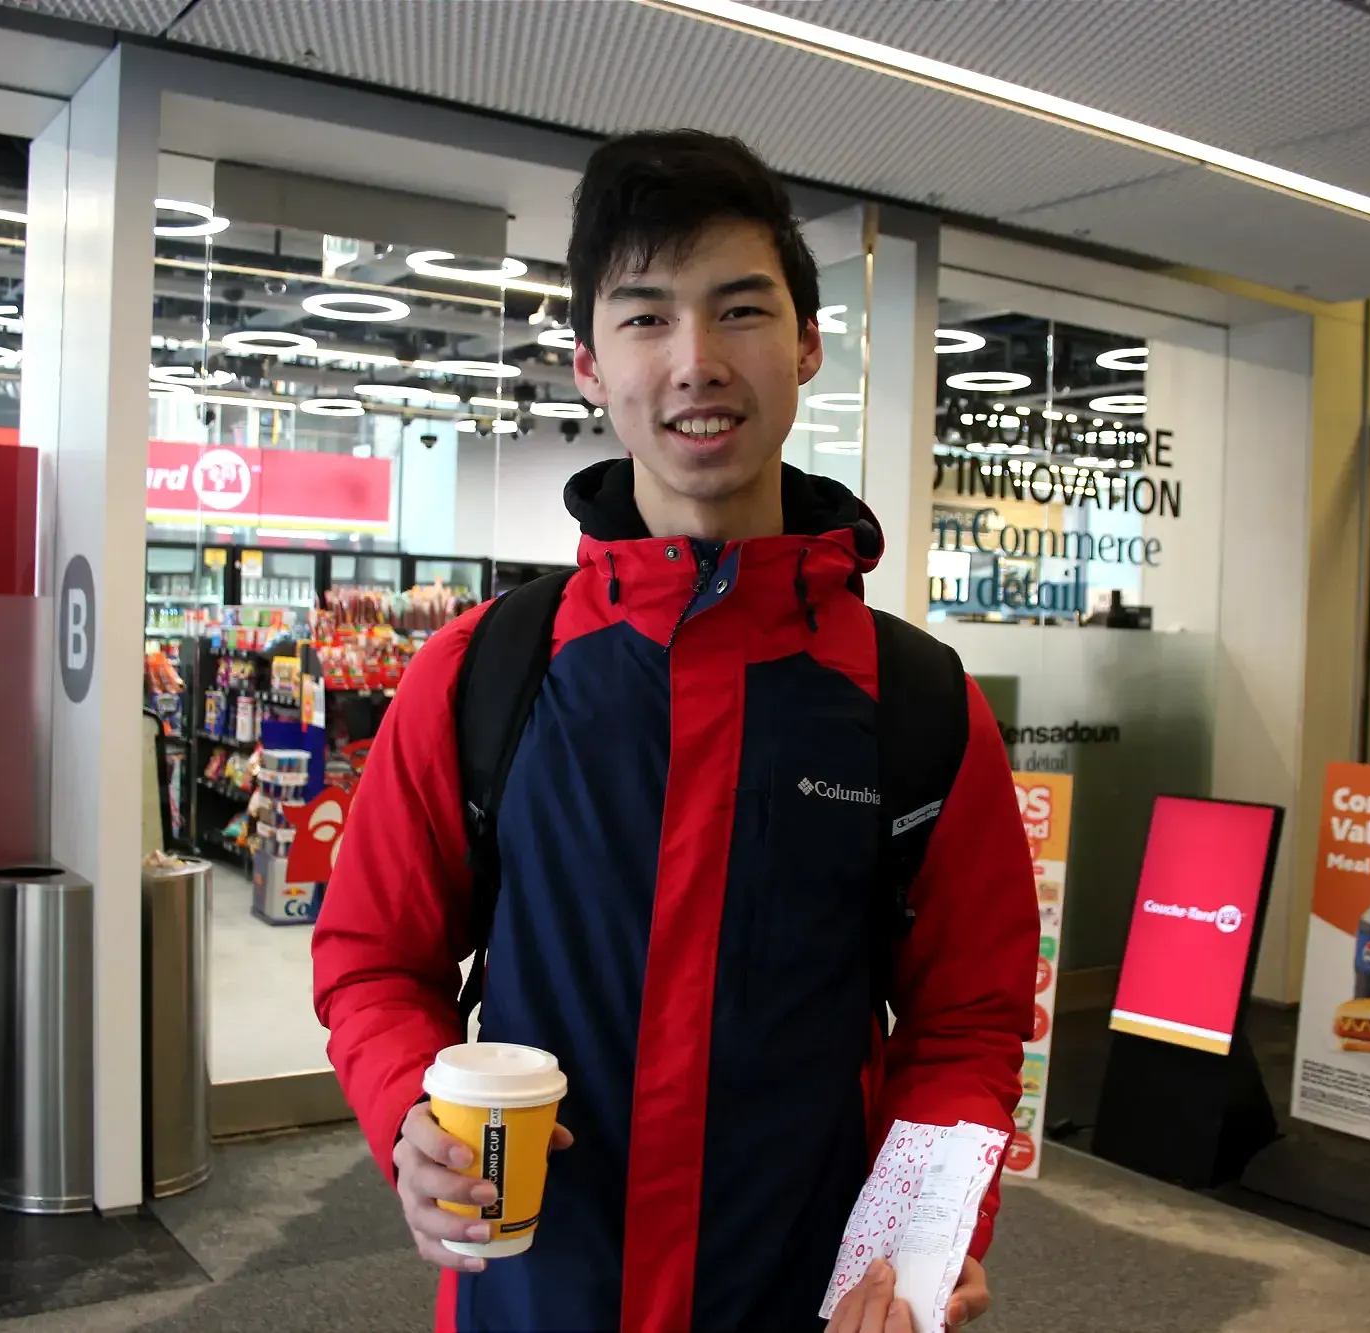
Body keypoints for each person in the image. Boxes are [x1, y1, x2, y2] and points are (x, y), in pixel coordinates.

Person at [313, 129, 1038, 1333]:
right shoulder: (481, 675)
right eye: (645, 317)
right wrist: (409, 1113)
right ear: (589, 364)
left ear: (806, 345)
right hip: (534, 1300)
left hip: (804, 1300)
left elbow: (966, 1020)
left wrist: (922, 1239)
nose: (695, 362)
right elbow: (373, 959)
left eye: (739, 310)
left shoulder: (913, 703)